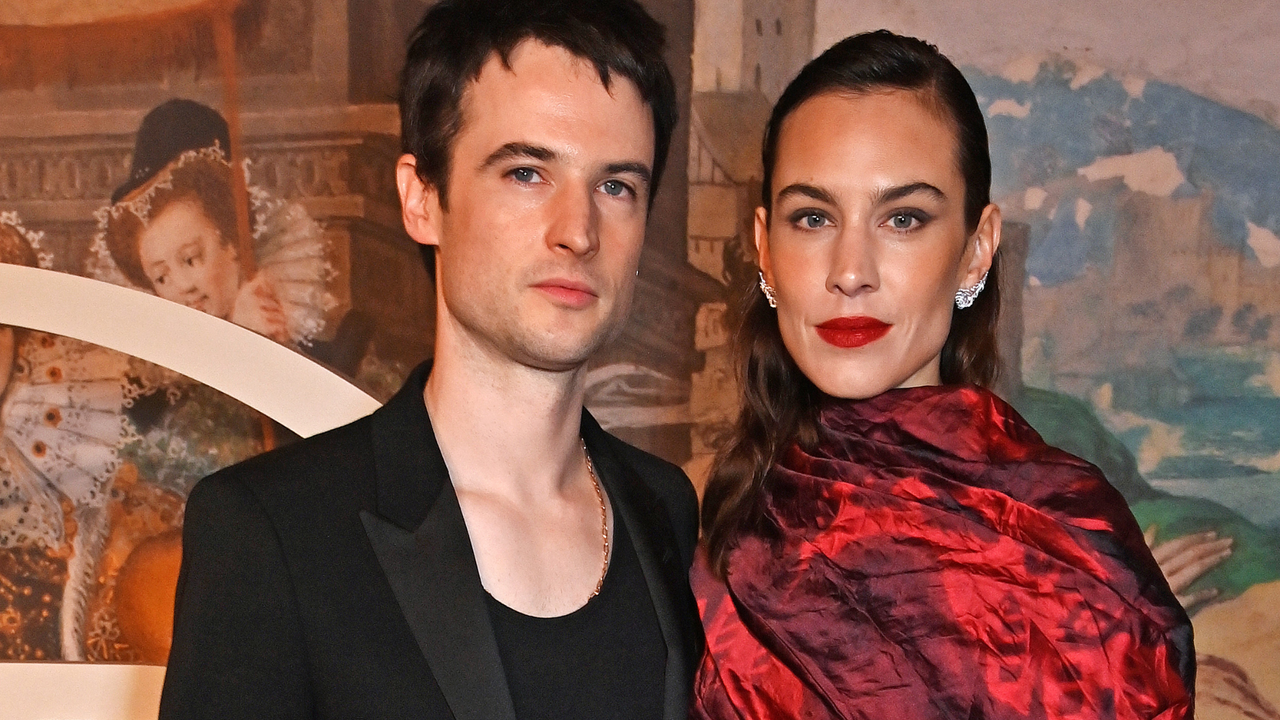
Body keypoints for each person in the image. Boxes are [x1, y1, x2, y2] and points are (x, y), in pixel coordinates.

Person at [158, 1, 702, 718]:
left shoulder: (664, 510)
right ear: (422, 199)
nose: (578, 230)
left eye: (616, 186)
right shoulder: (272, 535)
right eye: (527, 173)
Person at [692, 31, 1194, 720]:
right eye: (812, 218)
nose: (850, 271)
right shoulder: (712, 530)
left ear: (975, 250)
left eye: (904, 218)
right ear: (766, 252)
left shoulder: (1066, 542)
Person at [99, 99, 333, 348]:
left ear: (232, 241)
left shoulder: (283, 312)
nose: (183, 286)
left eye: (190, 259)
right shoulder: (158, 356)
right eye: (161, 278)